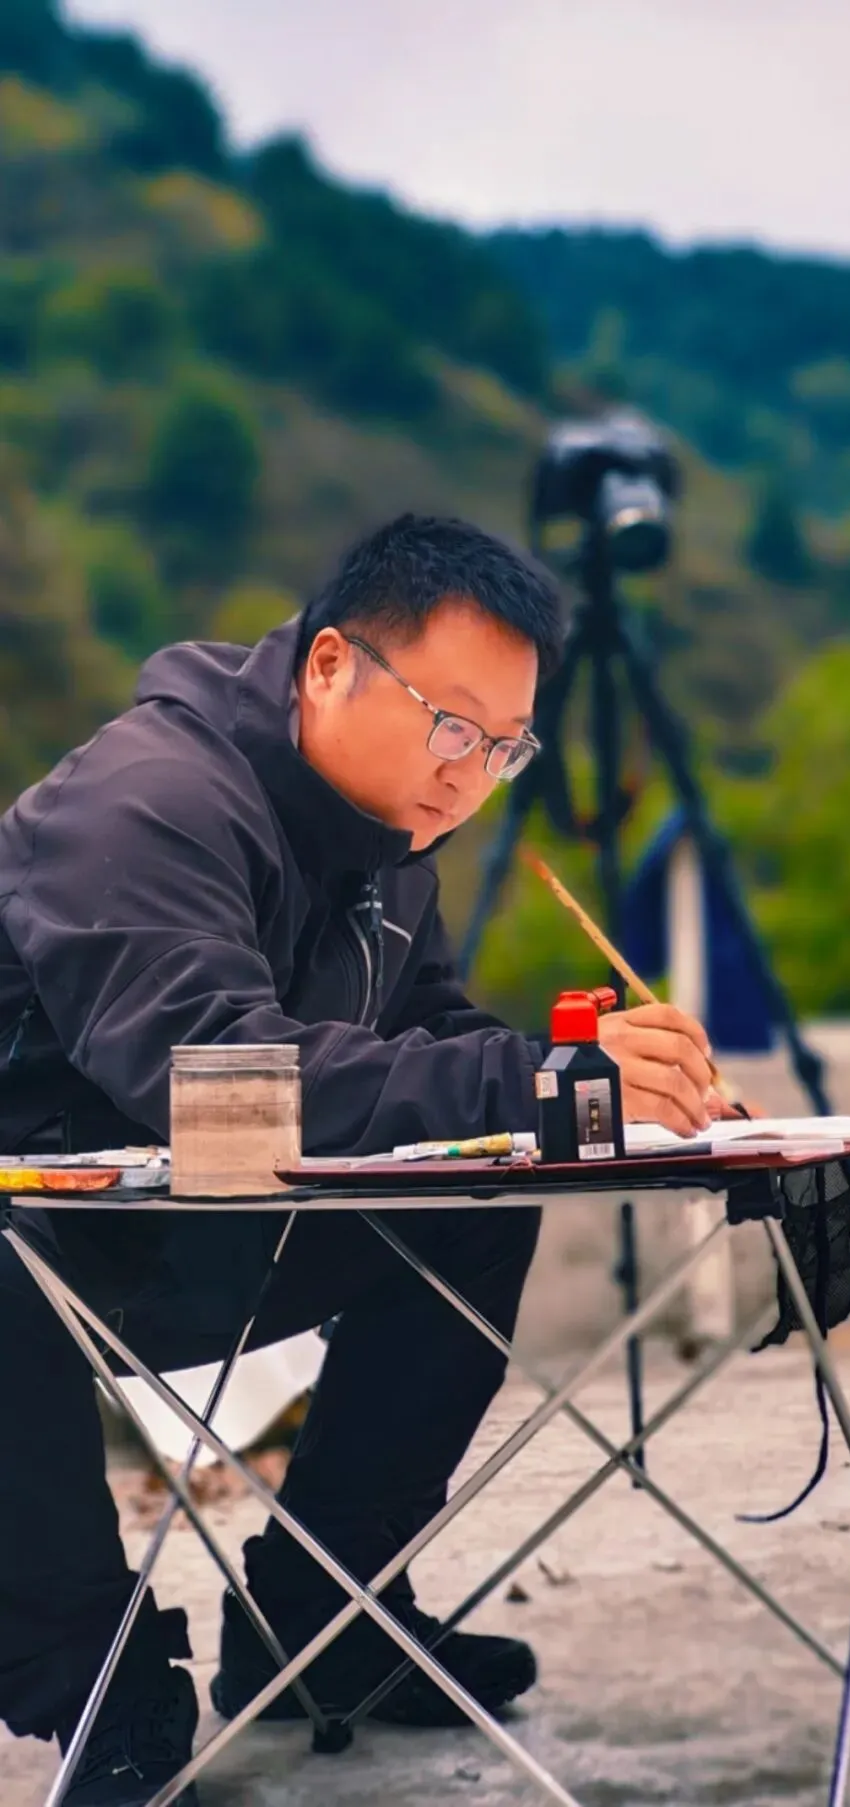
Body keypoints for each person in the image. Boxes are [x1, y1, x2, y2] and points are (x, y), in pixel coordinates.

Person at [0, 514, 727, 1805]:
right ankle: (98, 1686)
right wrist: (531, 1078)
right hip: (50, 1235)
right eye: (452, 726)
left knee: (478, 1195)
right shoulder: (150, 800)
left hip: (189, 1225)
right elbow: (218, 1085)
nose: (472, 775)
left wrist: (580, 1065)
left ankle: (326, 1616)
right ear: (332, 665)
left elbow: (425, 1032)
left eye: (506, 747)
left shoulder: (388, 842)